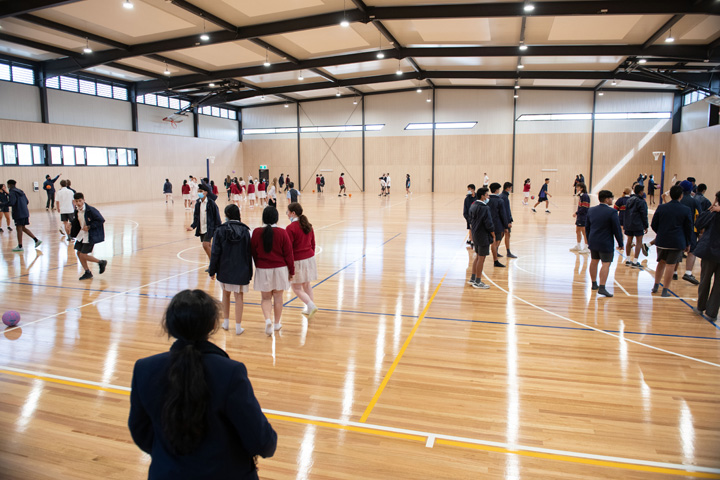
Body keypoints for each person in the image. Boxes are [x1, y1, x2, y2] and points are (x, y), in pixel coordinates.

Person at [128, 289, 277, 479]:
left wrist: (171, 456)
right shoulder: (230, 372)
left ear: (169, 325)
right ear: (212, 324)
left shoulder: (144, 368)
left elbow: (140, 431)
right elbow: (261, 441)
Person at [209, 205, 253, 335]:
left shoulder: (220, 230)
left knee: (225, 294)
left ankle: (226, 322)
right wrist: (249, 273)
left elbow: (215, 252)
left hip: (225, 268)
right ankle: (238, 326)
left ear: (227, 214)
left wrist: (212, 270)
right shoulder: (246, 231)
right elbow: (249, 253)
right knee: (239, 296)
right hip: (242, 269)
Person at [251, 207, 294, 336]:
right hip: (280, 270)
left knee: (265, 299)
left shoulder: (257, 232)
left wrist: (258, 266)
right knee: (278, 298)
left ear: (263, 218)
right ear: (277, 218)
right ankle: (276, 324)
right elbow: (289, 255)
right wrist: (291, 271)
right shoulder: (282, 232)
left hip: (263, 269)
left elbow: (253, 251)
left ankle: (267, 320)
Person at [650, 185, 693, 297]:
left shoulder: (661, 207)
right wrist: (688, 243)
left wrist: (661, 233)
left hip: (662, 241)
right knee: (670, 265)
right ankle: (665, 290)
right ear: (681, 196)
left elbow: (653, 224)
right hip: (677, 242)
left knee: (661, 263)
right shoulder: (686, 210)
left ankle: (655, 285)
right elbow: (689, 229)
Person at [585, 190, 623, 297]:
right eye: (611, 198)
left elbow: (587, 227)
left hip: (593, 240)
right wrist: (620, 242)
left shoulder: (591, 210)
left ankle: (593, 283)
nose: (612, 200)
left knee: (594, 261)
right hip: (605, 242)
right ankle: (602, 287)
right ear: (607, 199)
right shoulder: (612, 212)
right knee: (606, 263)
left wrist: (588, 239)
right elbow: (616, 229)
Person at [286, 202, 318, 318]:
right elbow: (313, 243)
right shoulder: (308, 225)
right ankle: (310, 308)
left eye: (288, 212)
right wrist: (310, 255)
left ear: (293, 213)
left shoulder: (290, 228)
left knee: (296, 288)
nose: (287, 214)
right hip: (309, 258)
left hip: (298, 260)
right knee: (307, 284)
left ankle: (311, 305)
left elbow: (288, 248)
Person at [693, 191, 720, 322]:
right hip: (712, 252)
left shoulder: (713, 213)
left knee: (705, 279)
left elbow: (698, 224)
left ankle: (700, 306)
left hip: (710, 251)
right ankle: (712, 312)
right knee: (718, 284)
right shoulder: (714, 213)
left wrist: (711, 210)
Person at [70, 192, 107, 280]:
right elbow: (77, 221)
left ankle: (101, 262)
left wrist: (90, 227)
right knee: (78, 253)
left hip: (90, 235)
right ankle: (87, 272)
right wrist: (70, 224)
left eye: (80, 201)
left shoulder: (91, 210)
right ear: (74, 202)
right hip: (82, 234)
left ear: (84, 200)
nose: (78, 203)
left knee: (83, 255)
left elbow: (101, 220)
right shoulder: (77, 210)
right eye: (76, 201)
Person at [2, 180, 41, 252]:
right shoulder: (21, 191)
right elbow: (27, 201)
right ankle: (36, 240)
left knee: (19, 228)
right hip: (25, 212)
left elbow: (12, 202)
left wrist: (3, 204)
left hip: (18, 213)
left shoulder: (12, 192)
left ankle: (20, 246)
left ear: (9, 185)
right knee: (23, 227)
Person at [467, 187, 495, 289]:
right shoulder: (485, 208)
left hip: (475, 234)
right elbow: (488, 224)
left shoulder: (473, 205)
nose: (488, 197)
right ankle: (478, 281)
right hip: (483, 236)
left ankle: (473, 278)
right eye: (487, 195)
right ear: (483, 196)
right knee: (481, 258)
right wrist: (493, 234)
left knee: (478, 256)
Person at [187, 184, 221, 264]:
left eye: (201, 191)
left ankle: (213, 264)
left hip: (210, 228)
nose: (199, 193)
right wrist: (193, 226)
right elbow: (196, 217)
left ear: (206, 192)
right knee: (208, 246)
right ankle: (213, 264)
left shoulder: (211, 203)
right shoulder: (198, 204)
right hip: (201, 228)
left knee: (205, 245)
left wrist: (218, 228)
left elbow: (217, 216)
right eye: (198, 191)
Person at [679, 180, 701, 285]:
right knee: (692, 251)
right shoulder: (694, 201)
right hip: (691, 229)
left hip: (677, 229)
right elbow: (699, 216)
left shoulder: (678, 200)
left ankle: (674, 272)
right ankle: (688, 272)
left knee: (677, 251)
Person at [623, 184, 649, 268]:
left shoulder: (629, 200)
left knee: (629, 241)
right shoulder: (641, 201)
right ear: (641, 191)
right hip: (637, 224)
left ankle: (627, 260)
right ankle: (635, 261)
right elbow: (644, 214)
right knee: (639, 242)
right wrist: (646, 225)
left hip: (629, 223)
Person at [487, 182, 508, 268]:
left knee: (493, 242)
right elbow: (503, 214)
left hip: (488, 224)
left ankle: (495, 256)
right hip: (497, 225)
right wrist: (506, 226)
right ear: (496, 190)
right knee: (495, 242)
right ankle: (495, 260)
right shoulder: (500, 201)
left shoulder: (487, 200)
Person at [570, 182, 590, 253]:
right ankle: (578, 246)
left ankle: (587, 247)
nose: (576, 188)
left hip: (583, 216)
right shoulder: (581, 196)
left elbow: (585, 208)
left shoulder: (585, 196)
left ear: (581, 188)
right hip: (580, 216)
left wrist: (576, 213)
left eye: (577, 187)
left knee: (584, 232)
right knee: (577, 230)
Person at [500, 182, 517, 258]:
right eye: (510, 188)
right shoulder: (504, 197)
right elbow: (505, 211)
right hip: (505, 220)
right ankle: (508, 252)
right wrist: (507, 222)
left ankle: (496, 250)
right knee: (507, 234)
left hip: (503, 220)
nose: (511, 189)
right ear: (507, 188)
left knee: (502, 235)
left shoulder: (503, 196)